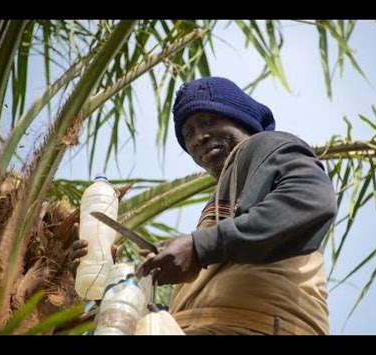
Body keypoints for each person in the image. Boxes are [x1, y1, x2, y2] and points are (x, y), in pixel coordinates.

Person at [72, 76, 337, 335]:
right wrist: (112, 284)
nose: (199, 137)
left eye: (209, 120)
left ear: (241, 119)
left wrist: (199, 247)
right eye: (188, 134)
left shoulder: (266, 145)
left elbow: (312, 200)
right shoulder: (224, 204)